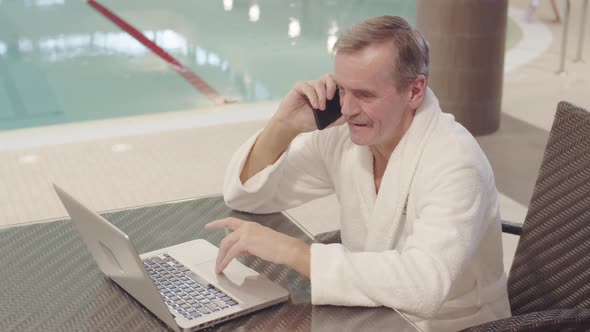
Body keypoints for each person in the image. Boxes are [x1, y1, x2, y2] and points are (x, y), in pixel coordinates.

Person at [205, 16, 511, 331]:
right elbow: (249, 197)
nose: (348, 108)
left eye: (365, 95)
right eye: (343, 90)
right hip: (370, 315)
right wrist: (285, 126)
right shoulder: (345, 137)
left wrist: (293, 250)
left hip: (450, 325)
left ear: (415, 90)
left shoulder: (455, 161)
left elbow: (424, 284)